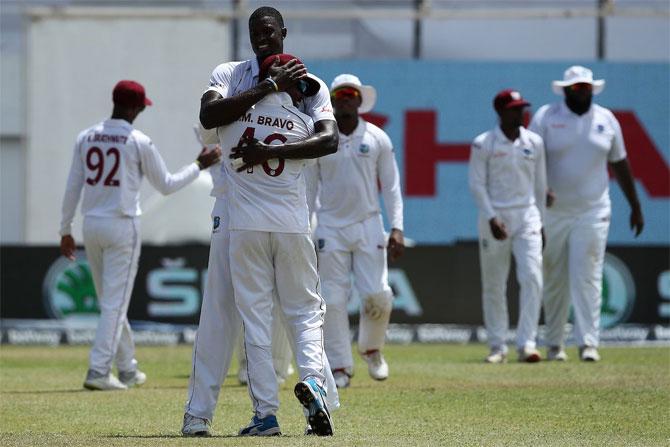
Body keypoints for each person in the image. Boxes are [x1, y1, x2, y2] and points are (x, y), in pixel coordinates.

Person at [181, 5, 338, 437]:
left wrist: (268, 141)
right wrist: (272, 88)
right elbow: (323, 137)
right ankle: (201, 414)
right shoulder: (233, 74)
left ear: (284, 33)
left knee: (258, 317)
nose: (261, 38)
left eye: (268, 32)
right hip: (250, 212)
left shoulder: (307, 85)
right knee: (227, 314)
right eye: (255, 32)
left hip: (253, 212)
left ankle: (272, 411)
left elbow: (218, 120)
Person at [59, 80, 221, 391]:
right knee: (114, 304)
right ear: (133, 107)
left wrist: (65, 229)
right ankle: (98, 371)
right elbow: (167, 185)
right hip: (121, 225)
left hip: (91, 224)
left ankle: (128, 369)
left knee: (111, 302)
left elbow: (72, 187)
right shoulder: (138, 141)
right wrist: (200, 164)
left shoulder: (86, 136)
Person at [529, 66, 644, 362]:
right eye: (577, 88)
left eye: (587, 88)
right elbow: (527, 158)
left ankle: (588, 343)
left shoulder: (607, 120)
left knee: (588, 275)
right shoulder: (546, 117)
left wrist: (635, 205)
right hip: (553, 212)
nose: (583, 93)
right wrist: (540, 189)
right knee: (554, 276)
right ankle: (554, 343)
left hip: (593, 210)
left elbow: (620, 163)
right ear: (565, 91)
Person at [310, 74, 404, 388]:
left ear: (360, 100)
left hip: (369, 224)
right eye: (340, 94)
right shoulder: (322, 136)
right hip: (330, 226)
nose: (346, 99)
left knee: (378, 294)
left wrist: (397, 228)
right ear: (332, 100)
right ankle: (340, 368)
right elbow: (310, 190)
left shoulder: (377, 138)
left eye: (352, 94)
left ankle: (372, 349)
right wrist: (306, 230)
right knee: (333, 300)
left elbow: (391, 187)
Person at [468, 89, 547, 364]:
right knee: (494, 283)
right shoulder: (484, 143)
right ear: (501, 112)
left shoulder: (534, 142)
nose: (520, 113)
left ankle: (527, 343)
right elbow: (477, 184)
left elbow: (540, 185)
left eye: (522, 108)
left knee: (533, 277)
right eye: (514, 109)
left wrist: (543, 222)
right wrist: (491, 217)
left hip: (528, 216)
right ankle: (497, 345)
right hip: (495, 217)